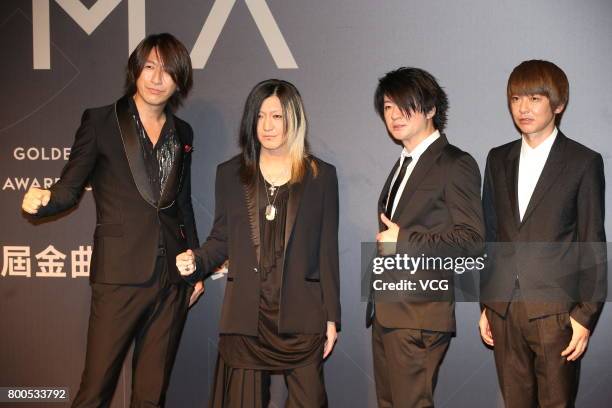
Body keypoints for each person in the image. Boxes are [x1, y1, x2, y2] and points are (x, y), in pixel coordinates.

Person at [21, 33, 204, 407]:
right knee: (96, 389)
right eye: (150, 67)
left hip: (172, 278)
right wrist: (45, 199)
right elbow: (71, 187)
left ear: (179, 80)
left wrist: (195, 265)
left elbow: (181, 204)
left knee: (152, 393)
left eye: (168, 71)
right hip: (119, 274)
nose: (156, 79)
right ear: (136, 70)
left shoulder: (182, 133)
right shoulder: (101, 121)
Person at [176, 79, 340, 407]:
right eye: (260, 116)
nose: (267, 126)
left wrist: (331, 317)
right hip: (246, 316)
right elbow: (221, 238)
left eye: (277, 116)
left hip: (301, 314)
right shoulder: (230, 173)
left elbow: (327, 250)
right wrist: (196, 261)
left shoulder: (320, 175)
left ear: (293, 120)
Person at [479, 59, 607, 407]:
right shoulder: (497, 159)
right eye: (516, 98)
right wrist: (487, 303)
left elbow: (592, 242)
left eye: (535, 98)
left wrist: (584, 317)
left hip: (556, 314)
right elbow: (491, 236)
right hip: (504, 310)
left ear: (558, 104)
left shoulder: (583, 161)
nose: (523, 107)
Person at [365, 67, 484, 407]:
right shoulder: (404, 163)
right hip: (388, 311)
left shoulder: (454, 163)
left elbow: (471, 241)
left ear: (431, 109)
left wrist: (404, 241)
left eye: (405, 104)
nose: (394, 114)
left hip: (418, 316)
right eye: (387, 106)